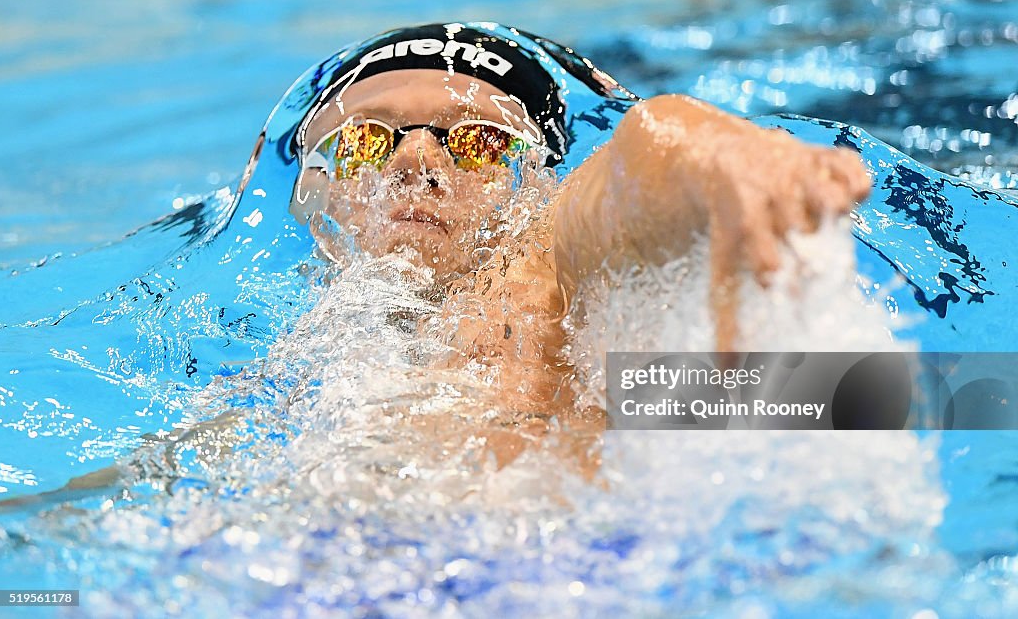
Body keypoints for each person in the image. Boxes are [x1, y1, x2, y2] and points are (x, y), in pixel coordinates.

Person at [289, 22, 870, 418]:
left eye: (478, 142)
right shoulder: (293, 357)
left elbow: (636, 159)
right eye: (363, 141)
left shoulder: (540, 277)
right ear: (322, 193)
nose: (414, 160)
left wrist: (720, 154)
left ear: (536, 182)